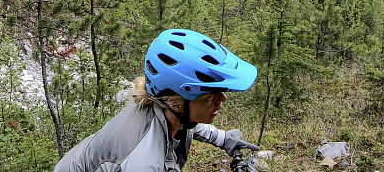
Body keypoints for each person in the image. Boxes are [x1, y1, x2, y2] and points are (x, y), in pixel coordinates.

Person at [54, 29, 259, 172]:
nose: (222, 100)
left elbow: (190, 124)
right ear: (174, 102)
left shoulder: (171, 111)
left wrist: (222, 138)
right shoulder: (142, 161)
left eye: (222, 92)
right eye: (209, 97)